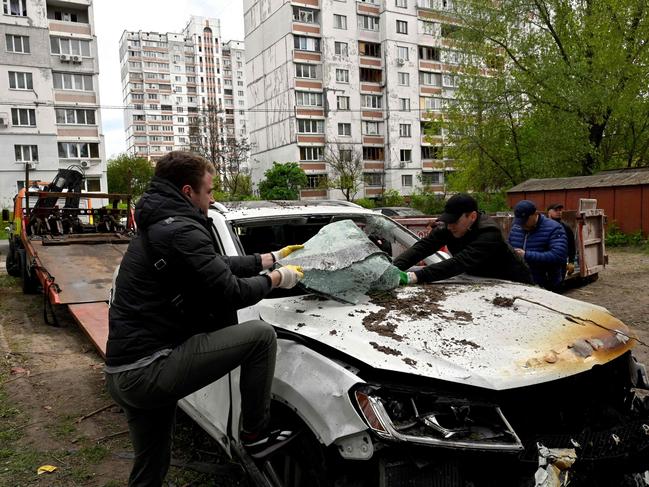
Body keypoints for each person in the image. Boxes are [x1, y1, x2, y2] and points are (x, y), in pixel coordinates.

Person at [105, 151, 305, 487]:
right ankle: (255, 433)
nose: (212, 199)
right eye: (209, 191)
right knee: (259, 335)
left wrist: (268, 259)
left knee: (151, 466)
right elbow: (231, 292)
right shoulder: (182, 230)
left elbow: (213, 264)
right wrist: (277, 279)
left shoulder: (163, 225)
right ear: (188, 191)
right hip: (149, 370)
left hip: (123, 373)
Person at [394, 194, 533, 285]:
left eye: (454, 221)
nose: (450, 226)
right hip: (478, 279)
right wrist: (392, 268)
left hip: (512, 282)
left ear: (472, 216)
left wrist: (412, 277)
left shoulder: (489, 233)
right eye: (448, 221)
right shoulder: (449, 227)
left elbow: (459, 263)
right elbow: (423, 247)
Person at [508, 200, 568, 291]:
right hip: (521, 282)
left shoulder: (554, 228)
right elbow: (509, 247)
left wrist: (526, 255)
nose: (522, 225)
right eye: (520, 221)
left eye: (525, 221)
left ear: (535, 214)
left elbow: (559, 256)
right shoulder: (516, 227)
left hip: (547, 285)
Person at [547, 203, 576, 278]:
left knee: (558, 283)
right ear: (549, 212)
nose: (559, 212)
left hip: (560, 261)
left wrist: (571, 262)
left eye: (560, 210)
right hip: (545, 260)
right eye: (556, 210)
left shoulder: (565, 227)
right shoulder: (542, 226)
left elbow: (571, 245)